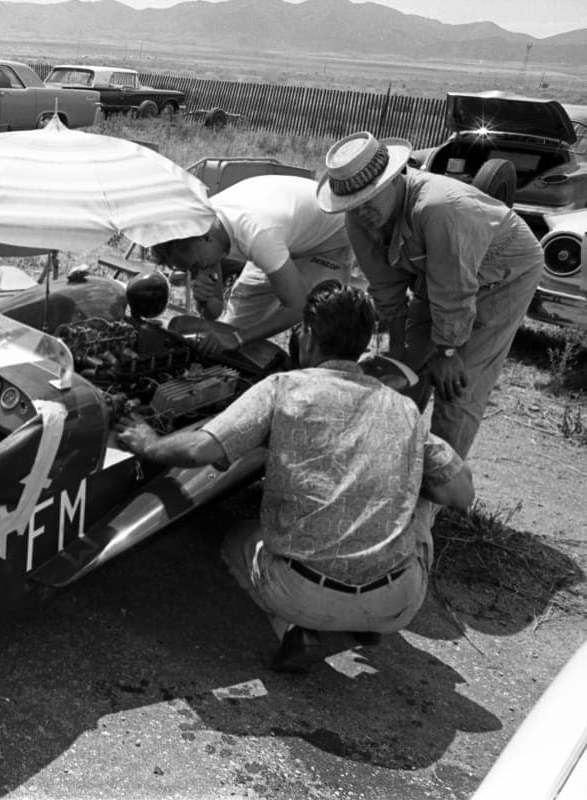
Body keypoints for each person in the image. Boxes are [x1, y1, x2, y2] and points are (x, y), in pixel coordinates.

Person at [114, 281, 475, 672]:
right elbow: (461, 493)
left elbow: (203, 450)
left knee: (236, 539)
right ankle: (367, 622)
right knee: (427, 495)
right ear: (364, 344)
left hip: (303, 594)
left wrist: (149, 444)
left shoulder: (283, 388)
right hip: (399, 600)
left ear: (306, 336)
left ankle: (296, 628)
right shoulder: (404, 408)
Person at [316, 131, 544, 458]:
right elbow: (387, 291)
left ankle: (434, 493)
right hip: (438, 276)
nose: (362, 211)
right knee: (401, 369)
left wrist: (448, 352)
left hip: (504, 272)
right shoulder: (359, 220)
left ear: (395, 180)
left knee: (458, 386)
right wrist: (398, 355)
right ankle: (386, 463)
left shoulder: (439, 207)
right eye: (354, 204)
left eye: (370, 198)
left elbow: (455, 290)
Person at [148, 174, 355, 354]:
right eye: (189, 270)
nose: (196, 273)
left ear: (206, 238)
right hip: (283, 235)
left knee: (318, 333)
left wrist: (238, 339)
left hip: (328, 242)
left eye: (195, 266)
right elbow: (215, 312)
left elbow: (298, 307)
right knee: (232, 331)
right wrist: (204, 301)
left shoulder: (258, 234)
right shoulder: (202, 227)